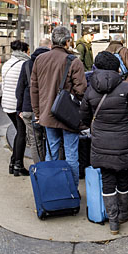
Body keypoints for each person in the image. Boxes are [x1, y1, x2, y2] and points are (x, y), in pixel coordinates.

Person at [81, 51, 128, 234]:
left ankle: (113, 221)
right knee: (124, 178)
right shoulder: (125, 88)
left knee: (107, 179)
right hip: (124, 142)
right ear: (116, 67)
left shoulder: (91, 89)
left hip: (101, 143)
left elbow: (83, 117)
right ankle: (124, 213)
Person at [30, 25, 87, 183]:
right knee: (71, 156)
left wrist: (37, 112)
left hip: (47, 114)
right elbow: (81, 90)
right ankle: (71, 191)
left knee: (51, 153)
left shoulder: (39, 59)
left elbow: (33, 89)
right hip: (69, 116)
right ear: (67, 42)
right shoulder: (74, 61)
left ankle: (53, 190)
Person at [17, 38, 51, 161]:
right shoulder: (51, 63)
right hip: (47, 109)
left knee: (34, 141)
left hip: (28, 108)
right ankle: (50, 166)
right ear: (50, 47)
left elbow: (19, 89)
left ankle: (39, 168)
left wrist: (19, 109)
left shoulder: (26, 64)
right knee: (50, 139)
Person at [1, 40, 31, 176]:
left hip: (6, 103)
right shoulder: (23, 65)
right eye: (29, 50)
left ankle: (13, 162)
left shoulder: (7, 64)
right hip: (16, 104)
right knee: (21, 133)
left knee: (19, 132)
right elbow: (22, 88)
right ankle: (18, 165)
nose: (29, 53)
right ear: (24, 51)